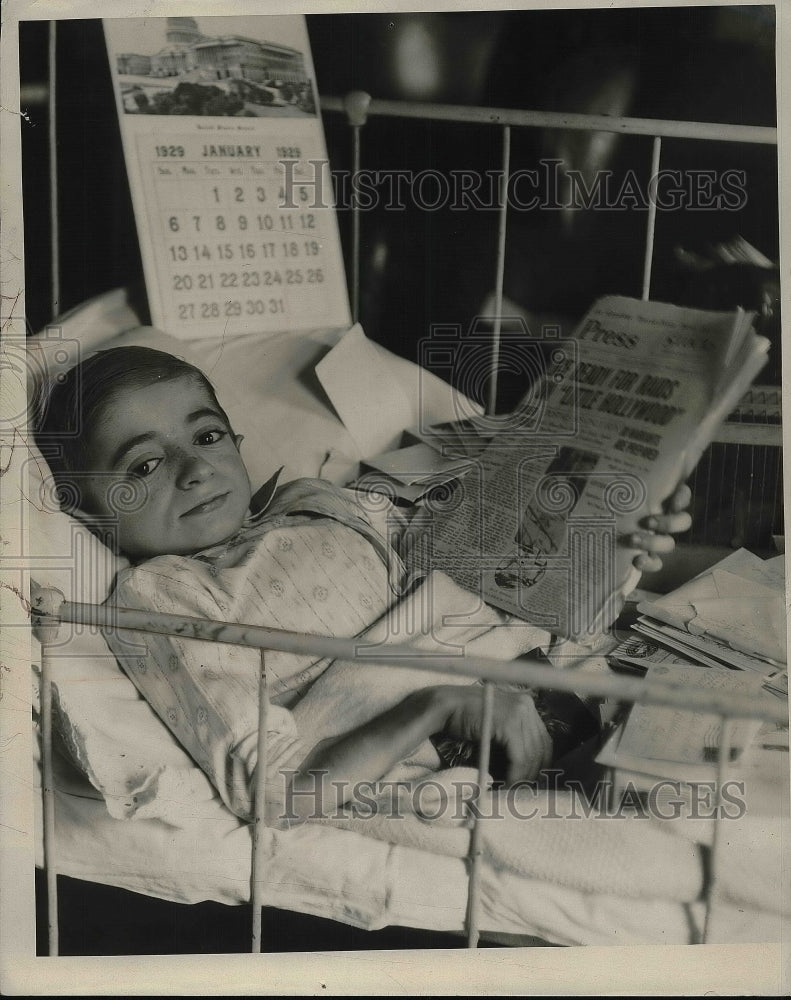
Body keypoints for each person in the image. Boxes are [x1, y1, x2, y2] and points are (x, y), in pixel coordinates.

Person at [34, 346, 691, 824]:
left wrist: (614, 531)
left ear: (235, 441)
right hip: (453, 747)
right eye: (145, 463)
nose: (194, 469)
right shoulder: (159, 597)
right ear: (86, 512)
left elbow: (478, 559)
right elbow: (273, 794)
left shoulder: (316, 501)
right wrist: (438, 703)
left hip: (560, 665)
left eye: (206, 435)